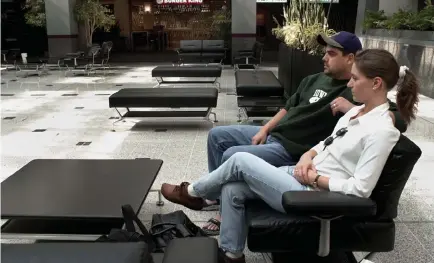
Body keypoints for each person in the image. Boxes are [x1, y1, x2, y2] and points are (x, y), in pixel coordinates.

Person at [160, 48, 420, 263]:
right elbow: (326, 142)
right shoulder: (356, 112)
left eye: (355, 79)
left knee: (239, 160)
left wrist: (317, 179)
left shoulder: (382, 130)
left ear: (376, 83)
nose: (349, 83)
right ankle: (232, 255)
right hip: (303, 174)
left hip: (318, 196)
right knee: (232, 189)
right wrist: (308, 156)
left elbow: (360, 189)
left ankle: (194, 193)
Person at [200, 31, 407, 235]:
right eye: (325, 52)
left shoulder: (355, 93)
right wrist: (265, 128)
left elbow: (394, 118)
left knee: (233, 156)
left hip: (290, 148)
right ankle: (215, 198)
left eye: (332, 54)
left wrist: (350, 107)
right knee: (217, 136)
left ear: (350, 58)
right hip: (280, 137)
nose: (324, 58)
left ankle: (204, 196)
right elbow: (289, 107)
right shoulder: (313, 79)